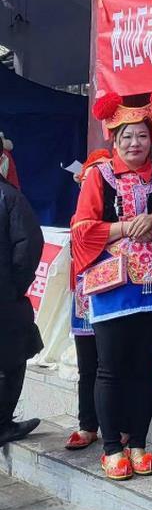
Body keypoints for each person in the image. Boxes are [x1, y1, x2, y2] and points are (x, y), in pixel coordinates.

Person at [72, 90, 152, 480]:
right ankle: (112, 447)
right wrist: (127, 227)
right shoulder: (99, 176)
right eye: (127, 136)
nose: (135, 143)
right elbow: (82, 229)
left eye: (142, 136)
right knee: (110, 368)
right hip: (112, 288)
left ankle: (139, 443)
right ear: (115, 140)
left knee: (145, 369)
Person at [65, 149, 111, 451]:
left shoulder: (116, 216)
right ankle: (87, 424)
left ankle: (114, 426)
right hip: (85, 299)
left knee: (112, 365)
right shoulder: (78, 219)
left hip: (111, 294)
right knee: (88, 366)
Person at [0, 170, 42, 446]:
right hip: (5, 298)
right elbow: (29, 247)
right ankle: (2, 424)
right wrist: (14, 287)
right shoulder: (10, 197)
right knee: (11, 359)